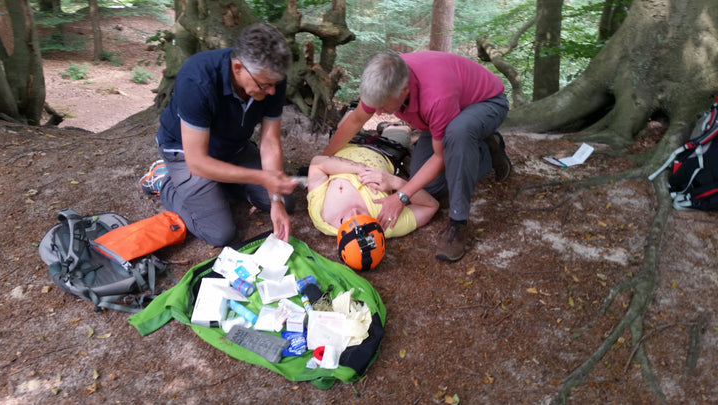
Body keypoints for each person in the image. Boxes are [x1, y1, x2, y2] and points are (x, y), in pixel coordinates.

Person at [322, 51, 511, 262]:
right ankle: (484, 147)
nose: (377, 112)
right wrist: (326, 158)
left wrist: (401, 196)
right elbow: (356, 121)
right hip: (441, 121)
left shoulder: (436, 96)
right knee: (428, 189)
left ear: (404, 90)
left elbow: (439, 158)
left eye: (383, 107)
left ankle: (458, 222)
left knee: (458, 134)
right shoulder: (383, 81)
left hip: (485, 104)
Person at [140, 23, 298, 246]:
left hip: (233, 148)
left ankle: (218, 182)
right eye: (264, 85)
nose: (272, 91)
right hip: (186, 154)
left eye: (275, 84)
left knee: (286, 201)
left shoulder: (271, 79)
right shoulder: (197, 79)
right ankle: (164, 181)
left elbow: (270, 143)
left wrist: (275, 200)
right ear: (237, 68)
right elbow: (197, 162)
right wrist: (263, 177)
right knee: (219, 233)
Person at [307, 125, 439, 238]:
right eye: (362, 217)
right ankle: (392, 126)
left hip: (345, 145)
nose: (354, 212)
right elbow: (430, 206)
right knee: (402, 132)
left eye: (344, 221)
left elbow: (316, 164)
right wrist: (395, 183)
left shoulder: (322, 216)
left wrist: (358, 168)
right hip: (385, 151)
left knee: (351, 118)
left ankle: (353, 108)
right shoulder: (385, 223)